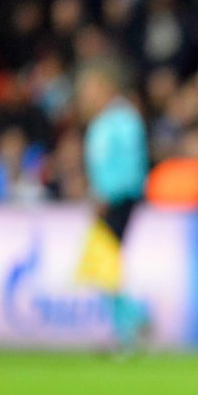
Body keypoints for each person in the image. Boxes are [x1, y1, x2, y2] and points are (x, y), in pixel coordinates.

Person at [76, 58, 151, 349]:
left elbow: (132, 165)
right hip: (107, 200)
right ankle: (128, 326)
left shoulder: (124, 119)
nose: (85, 95)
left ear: (106, 87)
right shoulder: (105, 120)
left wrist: (107, 194)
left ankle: (133, 323)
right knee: (101, 267)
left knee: (102, 266)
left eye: (89, 88)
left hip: (119, 201)